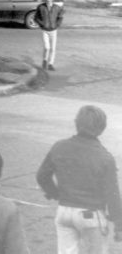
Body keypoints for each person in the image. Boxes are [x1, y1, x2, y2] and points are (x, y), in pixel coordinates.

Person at [37, 105, 122, 254]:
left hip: (64, 211)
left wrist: (55, 193)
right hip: (91, 214)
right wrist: (119, 225)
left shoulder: (59, 147)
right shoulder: (105, 158)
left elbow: (42, 176)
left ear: (77, 123)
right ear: (102, 128)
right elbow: (112, 195)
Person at [35, 0, 64, 71]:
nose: (48, 0)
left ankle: (50, 64)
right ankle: (45, 60)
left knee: (53, 49)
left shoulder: (56, 8)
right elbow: (36, 18)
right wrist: (42, 24)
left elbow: (60, 17)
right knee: (47, 47)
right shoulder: (41, 7)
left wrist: (57, 25)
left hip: (53, 31)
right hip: (45, 30)